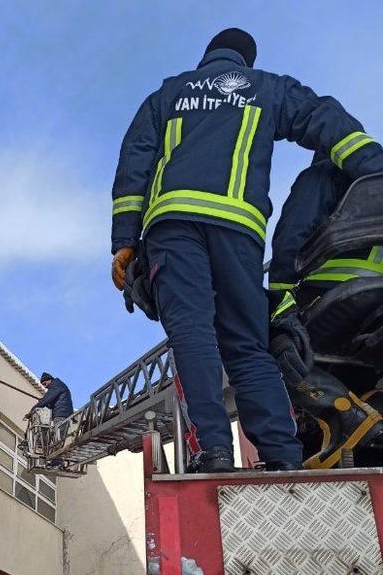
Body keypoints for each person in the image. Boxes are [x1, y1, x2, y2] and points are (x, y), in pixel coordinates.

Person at [111, 27, 383, 472]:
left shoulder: (170, 93)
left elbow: (135, 159)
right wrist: (374, 170)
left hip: (174, 227)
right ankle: (283, 455)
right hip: (240, 231)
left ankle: (215, 450)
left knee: (194, 333)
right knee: (247, 345)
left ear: (208, 56)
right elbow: (325, 119)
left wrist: (124, 239)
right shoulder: (268, 88)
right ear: (246, 62)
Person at [269, 149, 383, 467]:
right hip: (376, 302)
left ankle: (342, 413)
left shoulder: (321, 175)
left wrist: (280, 296)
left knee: (260, 330)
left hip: (340, 290)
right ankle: (370, 412)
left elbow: (292, 236)